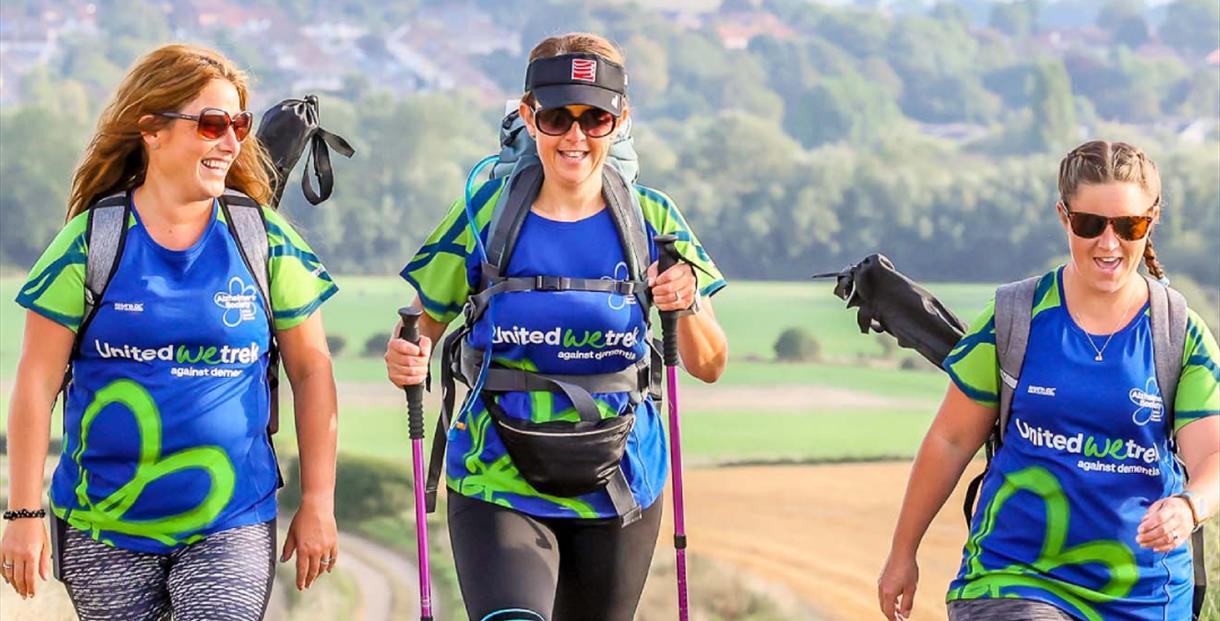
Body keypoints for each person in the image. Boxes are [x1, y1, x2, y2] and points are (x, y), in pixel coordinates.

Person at [385, 33, 729, 620]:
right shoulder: (484, 212)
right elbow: (421, 328)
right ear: (528, 116)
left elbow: (709, 364)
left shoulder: (654, 218)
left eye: (594, 119)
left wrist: (687, 301)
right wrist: (405, 358)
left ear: (621, 121)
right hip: (497, 474)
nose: (575, 136)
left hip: (621, 480)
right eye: (556, 117)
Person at [0, 44, 340, 620]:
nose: (231, 142)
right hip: (103, 524)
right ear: (152, 130)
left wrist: (319, 502)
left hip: (232, 518)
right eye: (211, 125)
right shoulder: (90, 242)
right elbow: (36, 381)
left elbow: (312, 371)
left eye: (240, 124)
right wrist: (24, 514)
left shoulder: (263, 238)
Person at [878, 140, 1219, 621]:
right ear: (1064, 216)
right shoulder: (1013, 318)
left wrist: (1189, 505)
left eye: (1128, 226)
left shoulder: (1179, 333)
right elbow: (951, 440)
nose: (1108, 243)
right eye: (1089, 224)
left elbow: (1212, 456)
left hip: (1144, 597)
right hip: (1014, 576)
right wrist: (902, 552)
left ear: (1152, 220)